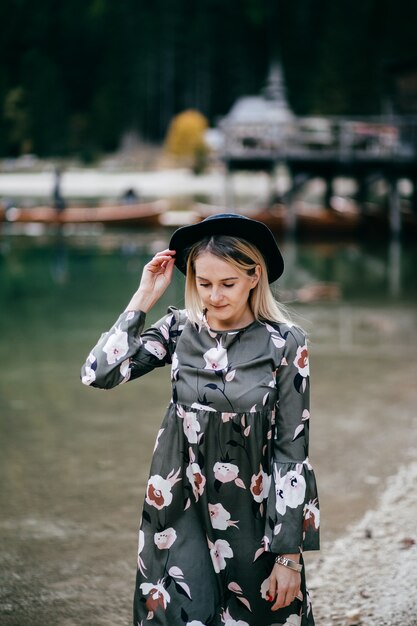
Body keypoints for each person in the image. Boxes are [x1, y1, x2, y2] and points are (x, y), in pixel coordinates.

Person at [81, 213, 320, 626]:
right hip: (178, 508)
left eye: (226, 284)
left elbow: (291, 450)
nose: (213, 296)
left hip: (251, 514)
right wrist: (142, 298)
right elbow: (99, 373)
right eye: (203, 283)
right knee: (180, 613)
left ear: (253, 276)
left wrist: (287, 554)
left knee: (261, 616)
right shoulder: (178, 329)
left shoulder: (286, 343)